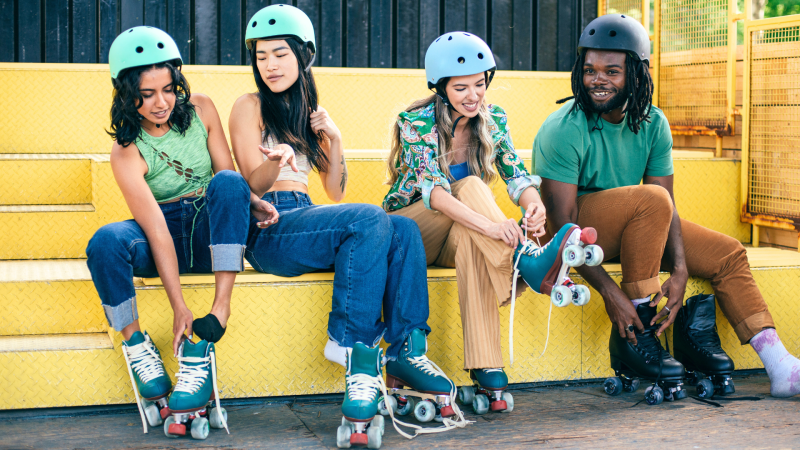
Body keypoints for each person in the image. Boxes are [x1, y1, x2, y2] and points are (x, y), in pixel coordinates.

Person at [229, 5, 464, 446]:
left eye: (280, 54)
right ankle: (349, 342)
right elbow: (248, 183)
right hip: (269, 226)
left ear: (304, 56)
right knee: (370, 217)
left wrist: (334, 138)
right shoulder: (249, 106)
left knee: (404, 230)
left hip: (305, 215)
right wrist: (273, 160)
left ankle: (408, 349)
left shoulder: (308, 112)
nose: (270, 65)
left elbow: (333, 190)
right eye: (261, 57)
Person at [534, 14, 800, 401]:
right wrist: (613, 295)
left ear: (637, 75)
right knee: (649, 200)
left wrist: (679, 269)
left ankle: (781, 365)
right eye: (589, 70)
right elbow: (563, 227)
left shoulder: (652, 122)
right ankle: (636, 335)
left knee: (727, 254)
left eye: (612, 70)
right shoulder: (563, 128)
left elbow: (666, 207)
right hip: (577, 234)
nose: (598, 80)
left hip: (638, 223)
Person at [383, 31, 595, 413]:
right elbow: (436, 194)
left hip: (457, 231)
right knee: (469, 186)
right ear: (440, 87)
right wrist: (495, 228)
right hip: (409, 231)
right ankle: (525, 261)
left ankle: (485, 363)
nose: (473, 96)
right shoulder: (415, 122)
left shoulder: (493, 118)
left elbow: (517, 176)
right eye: (461, 87)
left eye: (479, 85)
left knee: (470, 241)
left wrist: (535, 208)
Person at [86, 26, 255, 434]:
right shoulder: (126, 150)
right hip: (165, 230)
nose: (161, 102)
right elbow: (157, 230)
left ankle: (221, 307)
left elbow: (227, 179)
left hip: (208, 225)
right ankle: (137, 343)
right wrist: (179, 305)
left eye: (168, 89)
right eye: (146, 95)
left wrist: (250, 201)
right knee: (105, 241)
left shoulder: (201, 109)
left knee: (231, 183)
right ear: (127, 95)